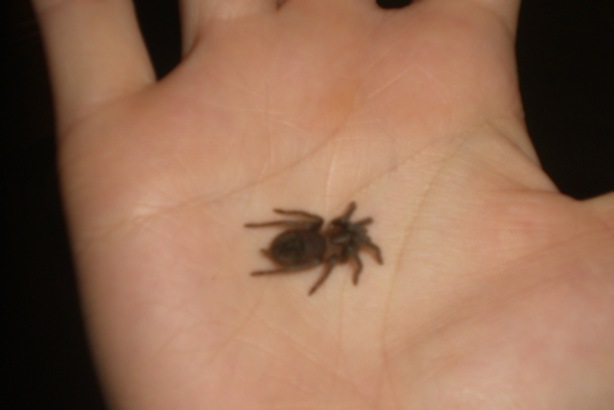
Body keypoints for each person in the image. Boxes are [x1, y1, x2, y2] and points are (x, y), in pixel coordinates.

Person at [32, 0, 614, 408]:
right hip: (296, 246)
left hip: (296, 252)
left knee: (306, 244)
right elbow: (328, 237)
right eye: (348, 235)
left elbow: (339, 245)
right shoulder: (332, 242)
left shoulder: (333, 249)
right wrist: (283, 238)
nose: (350, 236)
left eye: (349, 238)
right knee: (306, 239)